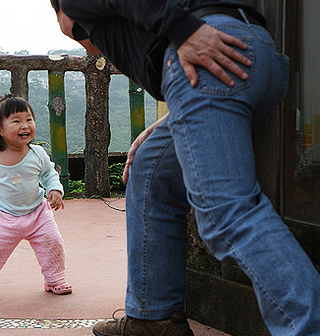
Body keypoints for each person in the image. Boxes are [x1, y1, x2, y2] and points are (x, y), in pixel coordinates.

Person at [51, 1, 320, 335]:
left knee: (227, 217)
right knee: (151, 168)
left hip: (209, 56)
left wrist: (184, 30)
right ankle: (154, 318)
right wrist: (177, 113)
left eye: (76, 36)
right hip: (251, 51)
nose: (88, 47)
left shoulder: (73, 8)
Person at [0, 94, 72, 300]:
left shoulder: (37, 153)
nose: (25, 125)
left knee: (52, 243)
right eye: (16, 121)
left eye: (29, 119)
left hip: (38, 213)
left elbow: (49, 174)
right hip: (3, 216)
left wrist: (54, 189)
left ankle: (55, 279)